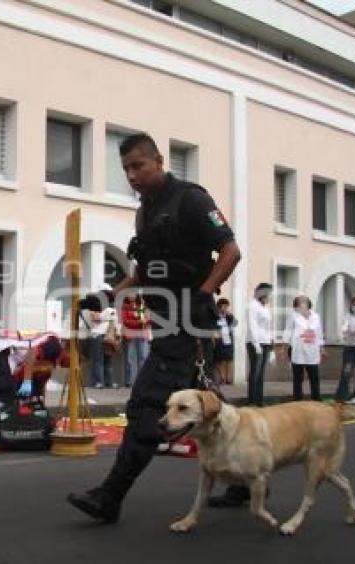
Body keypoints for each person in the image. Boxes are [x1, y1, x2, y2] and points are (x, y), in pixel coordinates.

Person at [66, 133, 241, 524]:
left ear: (158, 161)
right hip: (163, 321)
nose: (131, 175)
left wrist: (204, 292)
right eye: (126, 168)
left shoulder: (191, 199)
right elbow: (143, 271)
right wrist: (110, 295)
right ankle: (245, 482)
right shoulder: (145, 212)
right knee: (209, 403)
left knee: (148, 406)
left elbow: (231, 251)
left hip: (188, 323)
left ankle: (110, 497)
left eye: (138, 166)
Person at [209, 283, 273, 508]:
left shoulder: (264, 307)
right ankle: (242, 485)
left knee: (224, 426)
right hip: (199, 350)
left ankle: (244, 485)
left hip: (197, 353)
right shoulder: (252, 307)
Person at [0, 330, 66, 405]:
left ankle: (13, 411)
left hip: (17, 351)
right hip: (1, 345)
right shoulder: (54, 346)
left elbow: (40, 380)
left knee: (20, 385)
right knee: (5, 385)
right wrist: (26, 382)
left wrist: (39, 400)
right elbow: (32, 353)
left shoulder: (51, 355)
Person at [280, 295, 325, 401]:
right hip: (297, 350)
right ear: (296, 306)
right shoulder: (293, 316)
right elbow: (288, 331)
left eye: (304, 302)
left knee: (314, 377)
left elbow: (319, 333)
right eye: (299, 302)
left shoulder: (316, 316)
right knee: (298, 378)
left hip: (312, 350)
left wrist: (322, 348)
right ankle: (298, 400)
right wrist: (283, 348)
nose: (302, 304)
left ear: (308, 304)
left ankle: (316, 399)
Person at [80, 285, 118, 389]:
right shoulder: (106, 308)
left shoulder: (110, 308)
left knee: (103, 360)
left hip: (103, 335)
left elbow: (97, 318)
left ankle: (103, 382)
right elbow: (94, 318)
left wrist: (98, 314)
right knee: (102, 360)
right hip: (99, 335)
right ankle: (103, 382)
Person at [246, 283, 273, 406]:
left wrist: (271, 343)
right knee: (255, 373)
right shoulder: (252, 306)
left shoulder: (266, 308)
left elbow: (268, 327)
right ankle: (252, 401)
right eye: (268, 293)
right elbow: (252, 326)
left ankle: (259, 401)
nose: (269, 296)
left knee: (261, 374)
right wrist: (256, 344)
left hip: (266, 342)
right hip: (255, 342)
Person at [120, 293, 151, 388]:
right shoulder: (125, 307)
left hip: (142, 335)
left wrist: (146, 320)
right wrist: (139, 322)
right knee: (130, 359)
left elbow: (150, 319)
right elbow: (126, 321)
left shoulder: (143, 306)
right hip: (131, 335)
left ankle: (142, 381)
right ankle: (130, 382)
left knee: (143, 358)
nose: (131, 295)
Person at [213, 298, 237, 385]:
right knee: (220, 360)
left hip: (228, 341)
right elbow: (213, 327)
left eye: (227, 306)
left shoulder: (229, 317)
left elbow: (235, 323)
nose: (226, 308)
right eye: (224, 306)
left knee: (229, 360)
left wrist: (230, 315)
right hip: (219, 341)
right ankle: (222, 378)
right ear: (219, 307)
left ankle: (228, 378)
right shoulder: (215, 316)